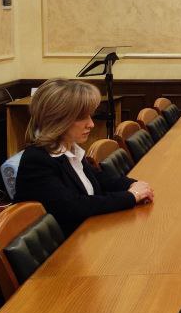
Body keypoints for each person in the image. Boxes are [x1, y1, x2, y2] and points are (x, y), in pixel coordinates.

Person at [14, 79, 154, 235]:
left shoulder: (69, 147)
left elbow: (100, 179)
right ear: (57, 119)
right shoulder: (37, 159)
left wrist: (134, 185)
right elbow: (74, 207)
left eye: (90, 115)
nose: (91, 124)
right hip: (66, 244)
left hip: (87, 231)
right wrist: (131, 196)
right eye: (82, 117)